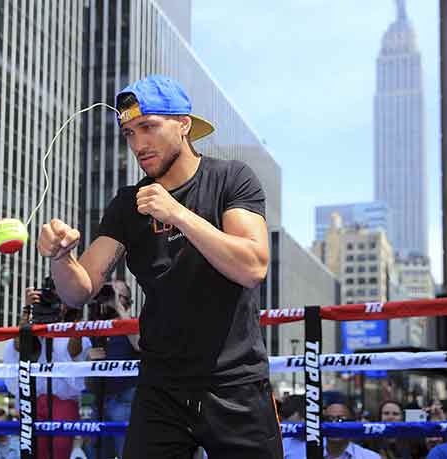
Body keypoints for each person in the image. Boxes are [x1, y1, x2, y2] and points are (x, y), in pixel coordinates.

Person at [36, 74, 281, 458]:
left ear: (184, 124)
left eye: (148, 127)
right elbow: (78, 289)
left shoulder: (231, 178)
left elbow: (253, 266)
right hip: (160, 385)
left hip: (235, 380)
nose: (138, 144)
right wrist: (61, 257)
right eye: (129, 133)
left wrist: (179, 214)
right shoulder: (127, 203)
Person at [3, 284, 91, 459]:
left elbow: (76, 355)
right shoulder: (30, 327)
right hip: (33, 400)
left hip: (64, 401)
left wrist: (77, 309)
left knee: (60, 451)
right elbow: (18, 348)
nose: (51, 305)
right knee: (34, 452)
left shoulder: (71, 328)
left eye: (58, 300)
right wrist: (27, 310)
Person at [86, 280, 140, 459]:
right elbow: (86, 375)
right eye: (108, 293)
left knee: (127, 452)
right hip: (99, 400)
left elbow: (139, 345)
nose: (110, 298)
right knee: (98, 453)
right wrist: (89, 360)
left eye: (117, 294)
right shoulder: (97, 326)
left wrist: (118, 307)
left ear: (128, 301)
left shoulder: (133, 323)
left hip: (125, 399)